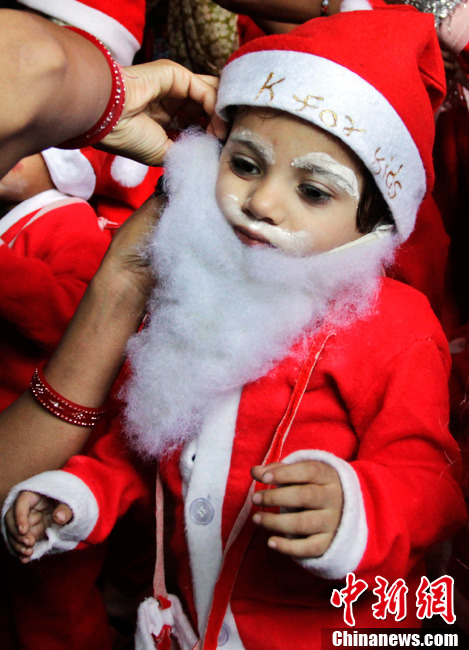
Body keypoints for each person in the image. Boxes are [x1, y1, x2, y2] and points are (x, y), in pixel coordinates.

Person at [4, 7, 467, 649]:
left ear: (375, 220)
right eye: (246, 165)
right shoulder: (191, 286)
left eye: (314, 191)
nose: (262, 203)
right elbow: (148, 446)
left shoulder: (394, 322)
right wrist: (78, 497)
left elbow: (433, 480)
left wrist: (357, 505)